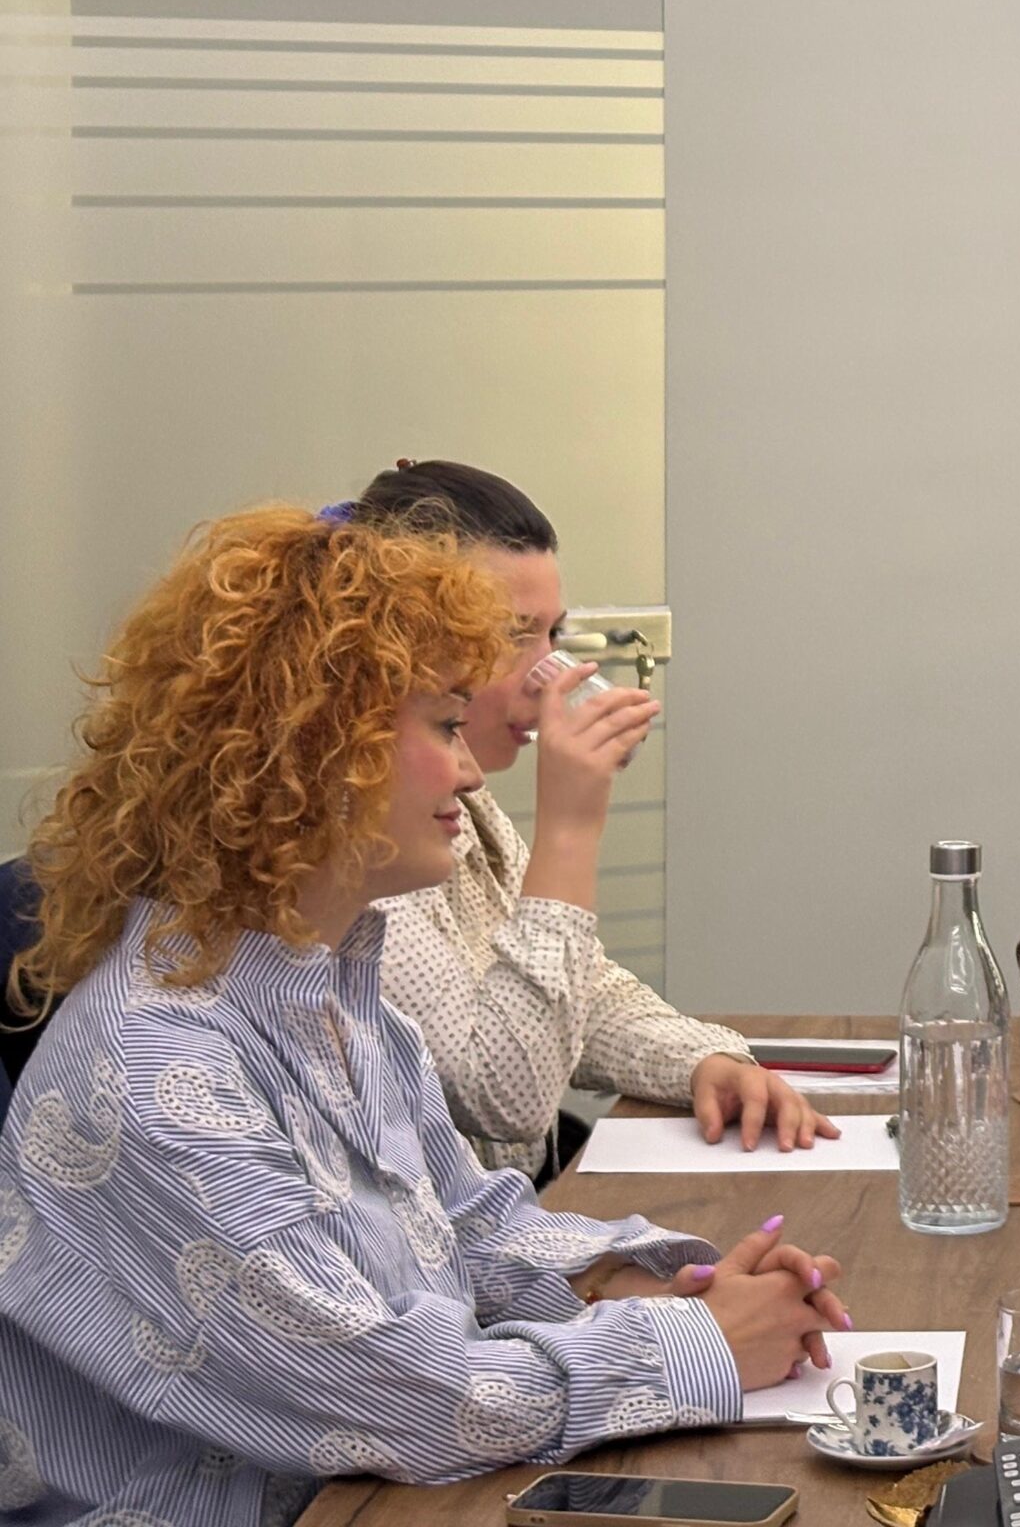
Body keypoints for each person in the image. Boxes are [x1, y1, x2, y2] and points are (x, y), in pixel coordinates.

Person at [0, 508, 852, 1526]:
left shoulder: (331, 996)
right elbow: (399, 1395)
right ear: (313, 747)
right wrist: (698, 1344)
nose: (473, 771)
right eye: (446, 727)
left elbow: (467, 1231)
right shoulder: (156, 1067)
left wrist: (642, 1282)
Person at [348, 461, 832, 1176]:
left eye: (553, 634)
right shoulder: (360, 836)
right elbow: (503, 1095)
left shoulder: (468, 804)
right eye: (512, 635)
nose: (550, 675)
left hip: (507, 1220)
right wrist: (568, 832)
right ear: (401, 642)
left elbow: (576, 995)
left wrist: (703, 1060)